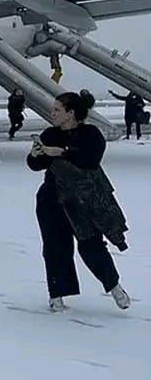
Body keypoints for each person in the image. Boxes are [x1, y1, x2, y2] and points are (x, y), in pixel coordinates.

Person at [27, 91, 131, 311]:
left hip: (82, 201)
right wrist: (36, 155)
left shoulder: (91, 134)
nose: (52, 113)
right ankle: (56, 296)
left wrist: (63, 152)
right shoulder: (50, 134)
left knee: (91, 245)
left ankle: (114, 285)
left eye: (57, 109)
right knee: (55, 247)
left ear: (71, 113)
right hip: (52, 199)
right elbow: (36, 164)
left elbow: (90, 159)